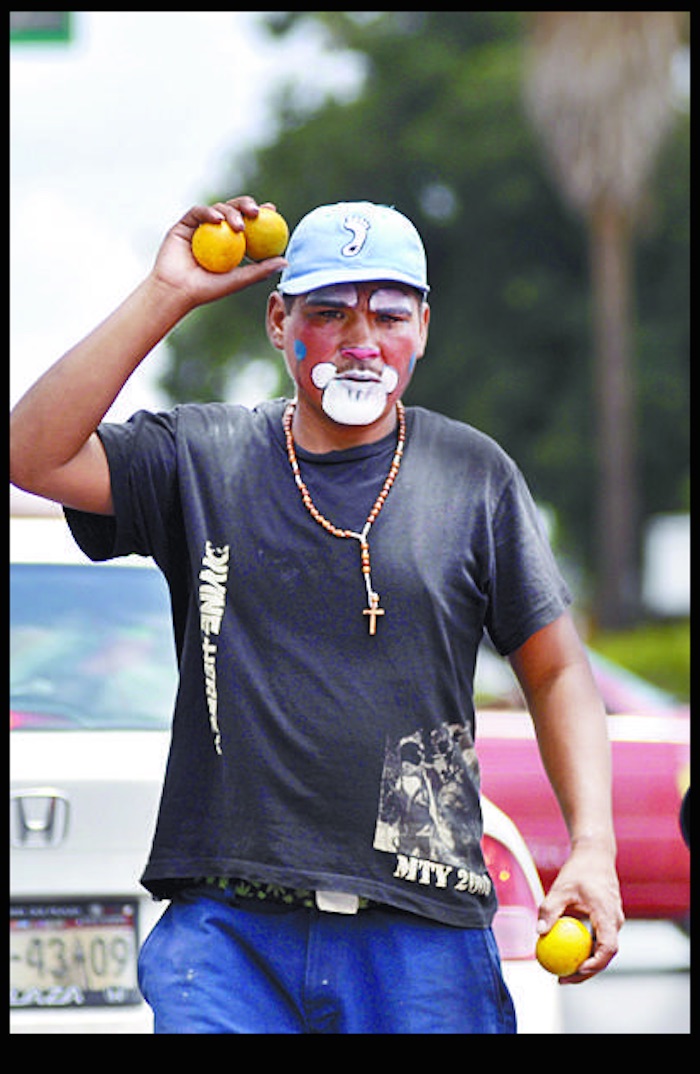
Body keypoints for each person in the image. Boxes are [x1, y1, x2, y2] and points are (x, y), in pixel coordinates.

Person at [10, 195, 624, 1034]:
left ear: (424, 328)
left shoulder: (472, 475)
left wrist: (593, 844)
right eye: (329, 313)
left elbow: (555, 671)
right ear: (277, 320)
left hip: (421, 932)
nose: (361, 340)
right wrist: (166, 294)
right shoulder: (202, 457)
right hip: (228, 938)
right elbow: (31, 453)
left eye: (389, 315)